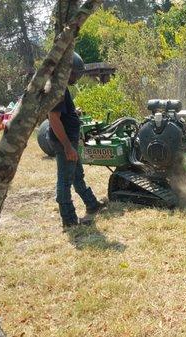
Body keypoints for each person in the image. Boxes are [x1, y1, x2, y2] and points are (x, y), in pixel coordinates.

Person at [47, 52, 105, 228]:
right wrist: (67, 147)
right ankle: (69, 220)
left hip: (69, 141)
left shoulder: (61, 87)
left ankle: (92, 204)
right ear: (66, 71)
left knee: (77, 175)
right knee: (64, 181)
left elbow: (61, 114)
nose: (77, 78)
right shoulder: (56, 89)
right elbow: (53, 118)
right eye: (75, 74)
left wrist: (73, 112)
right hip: (64, 143)